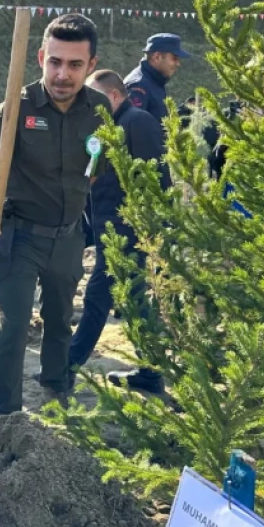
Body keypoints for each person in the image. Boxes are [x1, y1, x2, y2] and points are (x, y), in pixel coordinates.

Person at [0, 13, 112, 414]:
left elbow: (98, 168)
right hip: (19, 237)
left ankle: (55, 386)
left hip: (68, 238)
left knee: (61, 320)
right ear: (42, 57)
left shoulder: (98, 110)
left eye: (75, 64)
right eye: (55, 62)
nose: (63, 74)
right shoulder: (17, 105)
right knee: (12, 327)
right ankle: (4, 415)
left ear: (91, 65)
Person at [68, 70, 168, 394]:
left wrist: (149, 229)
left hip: (128, 230)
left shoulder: (137, 122)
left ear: (113, 95)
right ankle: (151, 373)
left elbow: (157, 177)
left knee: (97, 297)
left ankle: (66, 365)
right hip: (108, 227)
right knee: (135, 302)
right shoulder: (107, 129)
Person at [124, 33, 190, 127]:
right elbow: (133, 128)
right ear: (157, 57)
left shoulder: (154, 81)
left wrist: (183, 113)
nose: (178, 64)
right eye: (174, 58)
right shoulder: (139, 85)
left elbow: (156, 119)